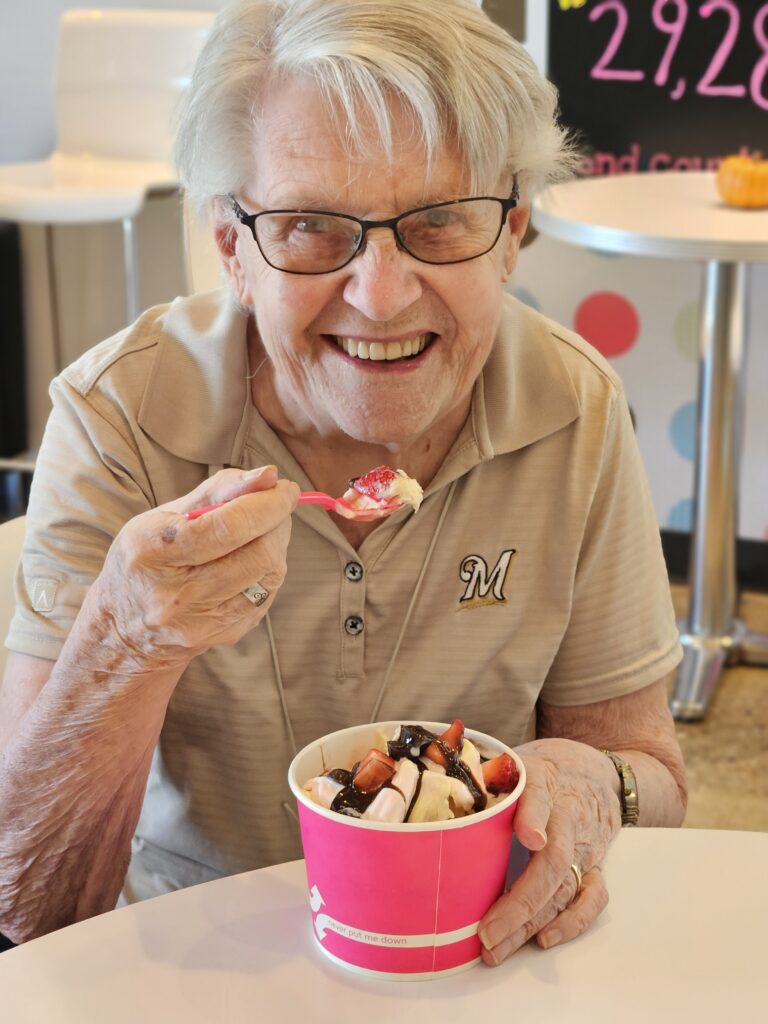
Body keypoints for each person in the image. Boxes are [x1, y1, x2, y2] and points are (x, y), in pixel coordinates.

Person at [0, 0, 686, 965]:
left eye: (441, 222)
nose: (382, 293)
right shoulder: (119, 418)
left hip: (469, 965)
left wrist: (589, 779)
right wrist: (126, 639)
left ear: (511, 231)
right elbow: (29, 902)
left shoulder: (572, 408)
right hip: (195, 968)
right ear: (234, 250)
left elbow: (652, 775)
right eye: (313, 227)